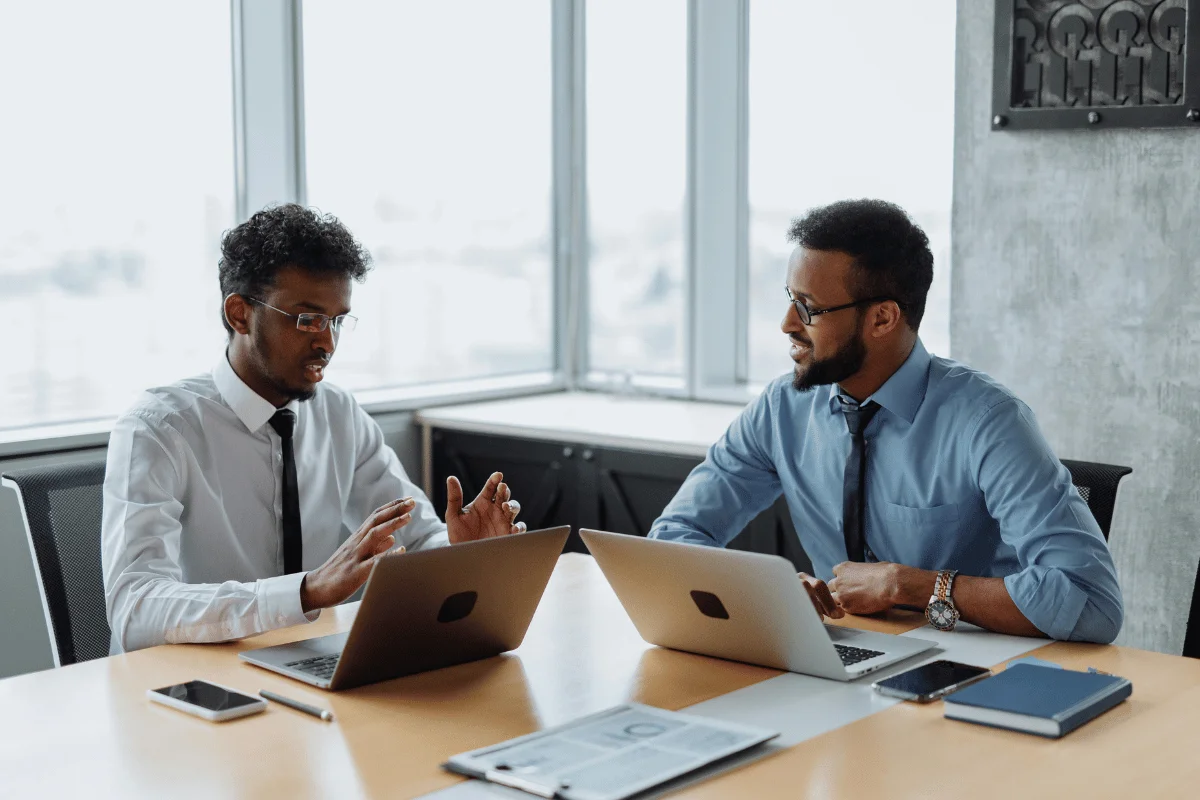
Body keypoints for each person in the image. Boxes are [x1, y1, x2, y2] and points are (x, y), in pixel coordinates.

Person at [649, 199, 1122, 643]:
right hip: (844, 654)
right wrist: (764, 590)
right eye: (791, 298)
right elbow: (673, 538)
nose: (788, 323)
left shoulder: (988, 422)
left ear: (882, 318)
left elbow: (1091, 603)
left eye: (809, 307)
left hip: (974, 667)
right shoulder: (782, 408)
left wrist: (909, 585)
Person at [102, 204, 526, 653]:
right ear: (239, 314)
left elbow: (417, 537)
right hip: (186, 688)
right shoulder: (159, 428)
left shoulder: (339, 414)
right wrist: (304, 592)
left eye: (337, 321)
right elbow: (136, 607)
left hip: (308, 669)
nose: (327, 342)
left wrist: (464, 555)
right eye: (308, 320)